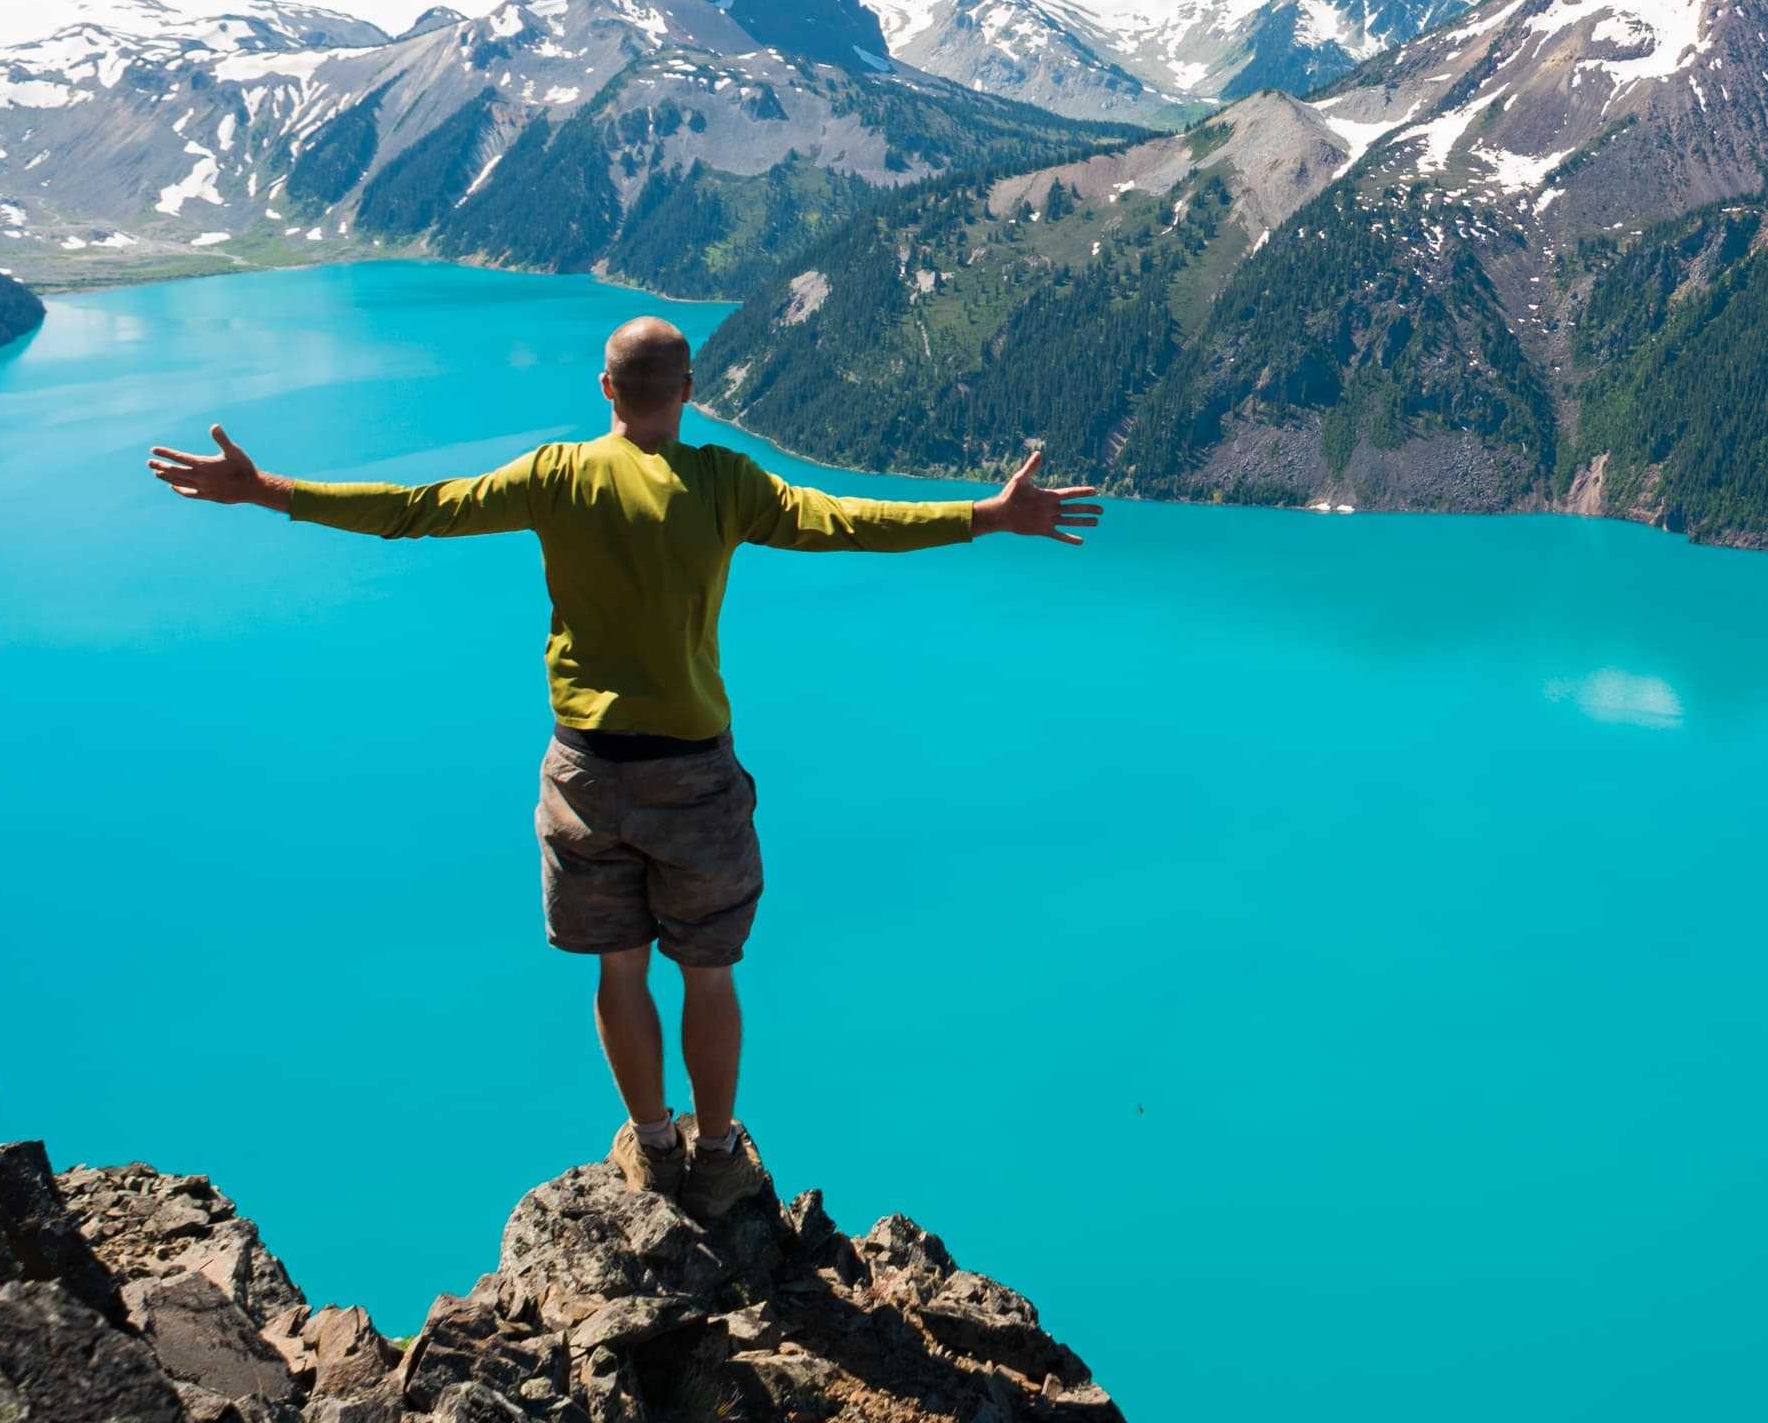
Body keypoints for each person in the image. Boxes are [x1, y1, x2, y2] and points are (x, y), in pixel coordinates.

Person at [145, 312, 1096, 1202]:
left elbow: (416, 508)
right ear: (686, 386)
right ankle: (719, 1154)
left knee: (620, 971)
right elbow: (851, 520)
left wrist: (266, 489)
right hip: (695, 776)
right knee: (710, 974)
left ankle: (652, 1141)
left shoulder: (556, 475)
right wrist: (986, 513)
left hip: (587, 776)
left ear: (605, 386)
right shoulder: (728, 483)